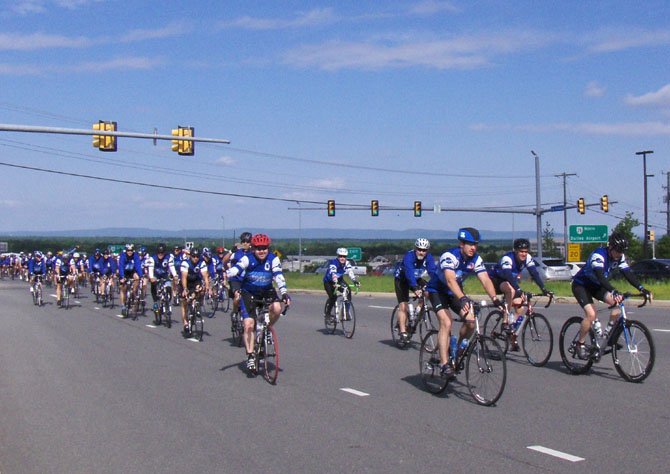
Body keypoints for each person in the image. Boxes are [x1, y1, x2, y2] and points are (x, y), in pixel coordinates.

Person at [425, 227, 503, 377]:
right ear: (461, 244)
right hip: (438, 291)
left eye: (476, 244)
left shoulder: (476, 259)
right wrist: (463, 297)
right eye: (470, 244)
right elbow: (450, 279)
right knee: (446, 322)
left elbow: (485, 279)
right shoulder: (449, 256)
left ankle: (457, 351)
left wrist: (494, 298)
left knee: (471, 322)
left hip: (455, 293)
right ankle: (444, 363)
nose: (473, 247)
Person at [571, 232, 651, 359]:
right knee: (591, 315)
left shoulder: (620, 257)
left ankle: (608, 336)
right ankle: (579, 344)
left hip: (597, 286)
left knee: (617, 304)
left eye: (622, 251)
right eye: (618, 250)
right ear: (611, 247)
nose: (619, 254)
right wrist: (613, 290)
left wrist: (642, 288)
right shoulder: (599, 255)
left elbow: (628, 273)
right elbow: (600, 276)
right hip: (582, 285)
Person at [225, 233, 290, 372]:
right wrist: (227, 274)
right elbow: (238, 268)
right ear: (253, 248)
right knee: (248, 324)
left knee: (277, 308)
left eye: (264, 248)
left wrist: (284, 292)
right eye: (258, 248)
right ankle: (250, 355)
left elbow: (278, 276)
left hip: (267, 290)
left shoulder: (273, 259)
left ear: (268, 248)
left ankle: (265, 329)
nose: (261, 251)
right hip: (249, 292)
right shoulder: (247, 258)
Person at [489, 238, 551, 351]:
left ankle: (512, 337)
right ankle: (505, 321)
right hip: (497, 280)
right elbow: (507, 274)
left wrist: (543, 288)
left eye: (525, 251)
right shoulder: (507, 258)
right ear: (515, 251)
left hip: (511, 281)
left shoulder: (527, 258)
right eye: (521, 251)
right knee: (511, 290)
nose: (523, 254)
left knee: (520, 307)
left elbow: (534, 273)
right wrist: (518, 289)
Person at [393, 238, 436, 343]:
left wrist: (437, 284)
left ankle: (417, 310)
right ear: (415, 248)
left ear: (427, 251)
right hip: (402, 280)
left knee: (428, 291)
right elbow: (409, 273)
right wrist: (415, 288)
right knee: (403, 306)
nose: (421, 252)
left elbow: (433, 272)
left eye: (424, 250)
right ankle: (402, 331)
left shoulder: (429, 258)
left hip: (416, 278)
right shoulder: (409, 256)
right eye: (419, 249)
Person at [180, 248, 210, 337]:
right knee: (184, 302)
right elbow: (184, 277)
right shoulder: (185, 263)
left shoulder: (202, 263)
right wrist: (185, 289)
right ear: (190, 256)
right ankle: (185, 323)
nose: (195, 258)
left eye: (197, 257)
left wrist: (207, 286)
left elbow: (205, 276)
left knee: (201, 289)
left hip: (196, 281)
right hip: (186, 282)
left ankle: (198, 305)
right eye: (193, 256)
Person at [323, 247, 360, 322]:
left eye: (344, 256)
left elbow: (350, 272)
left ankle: (346, 311)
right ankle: (328, 314)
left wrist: (354, 281)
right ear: (337, 256)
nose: (342, 258)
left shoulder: (347, 263)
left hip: (339, 280)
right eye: (340, 256)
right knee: (333, 297)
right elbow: (333, 272)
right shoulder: (333, 262)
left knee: (348, 290)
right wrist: (335, 282)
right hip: (329, 281)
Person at [146, 243, 177, 323]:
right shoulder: (152, 258)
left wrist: (175, 275)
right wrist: (151, 277)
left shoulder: (168, 258)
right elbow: (150, 269)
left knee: (168, 288)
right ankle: (155, 302)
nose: (160, 255)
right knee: (154, 287)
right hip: (156, 276)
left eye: (162, 253)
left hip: (165, 276)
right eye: (159, 253)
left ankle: (167, 303)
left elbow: (172, 267)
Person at [118, 244, 143, 315]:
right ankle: (123, 305)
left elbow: (138, 265)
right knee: (123, 288)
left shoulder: (135, 255)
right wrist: (122, 277)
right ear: (126, 251)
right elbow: (121, 267)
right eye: (128, 250)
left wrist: (141, 275)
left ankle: (134, 291)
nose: (130, 252)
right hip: (124, 273)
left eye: (131, 250)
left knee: (137, 278)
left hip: (132, 271)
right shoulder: (123, 256)